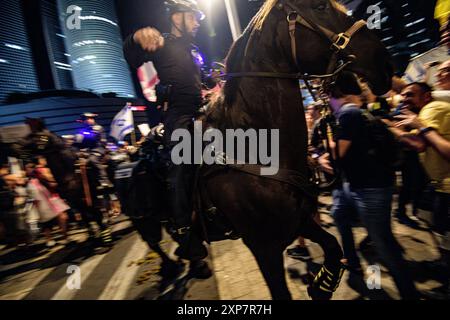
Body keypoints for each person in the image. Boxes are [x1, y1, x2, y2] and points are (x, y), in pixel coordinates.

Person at [123, 0, 213, 277]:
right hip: (178, 117)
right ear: (176, 18)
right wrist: (136, 38)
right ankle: (186, 235)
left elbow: (205, 80)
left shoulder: (193, 49)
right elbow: (130, 55)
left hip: (203, 112)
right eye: (193, 17)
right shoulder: (160, 42)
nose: (198, 22)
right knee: (179, 169)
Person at [327, 72, 419, 299]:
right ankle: (368, 274)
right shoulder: (360, 110)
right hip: (369, 185)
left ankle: (409, 294)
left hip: (370, 189)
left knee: (384, 246)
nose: (328, 102)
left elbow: (338, 154)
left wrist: (327, 141)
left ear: (338, 95)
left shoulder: (347, 113)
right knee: (342, 215)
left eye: (329, 97)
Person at [387, 82, 450, 298]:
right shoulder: (425, 112)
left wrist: (390, 129)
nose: (404, 99)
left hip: (447, 187)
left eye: (410, 95)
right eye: (403, 95)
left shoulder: (431, 109)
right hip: (440, 186)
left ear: (426, 96)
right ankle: (444, 265)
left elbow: (419, 144)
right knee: (440, 228)